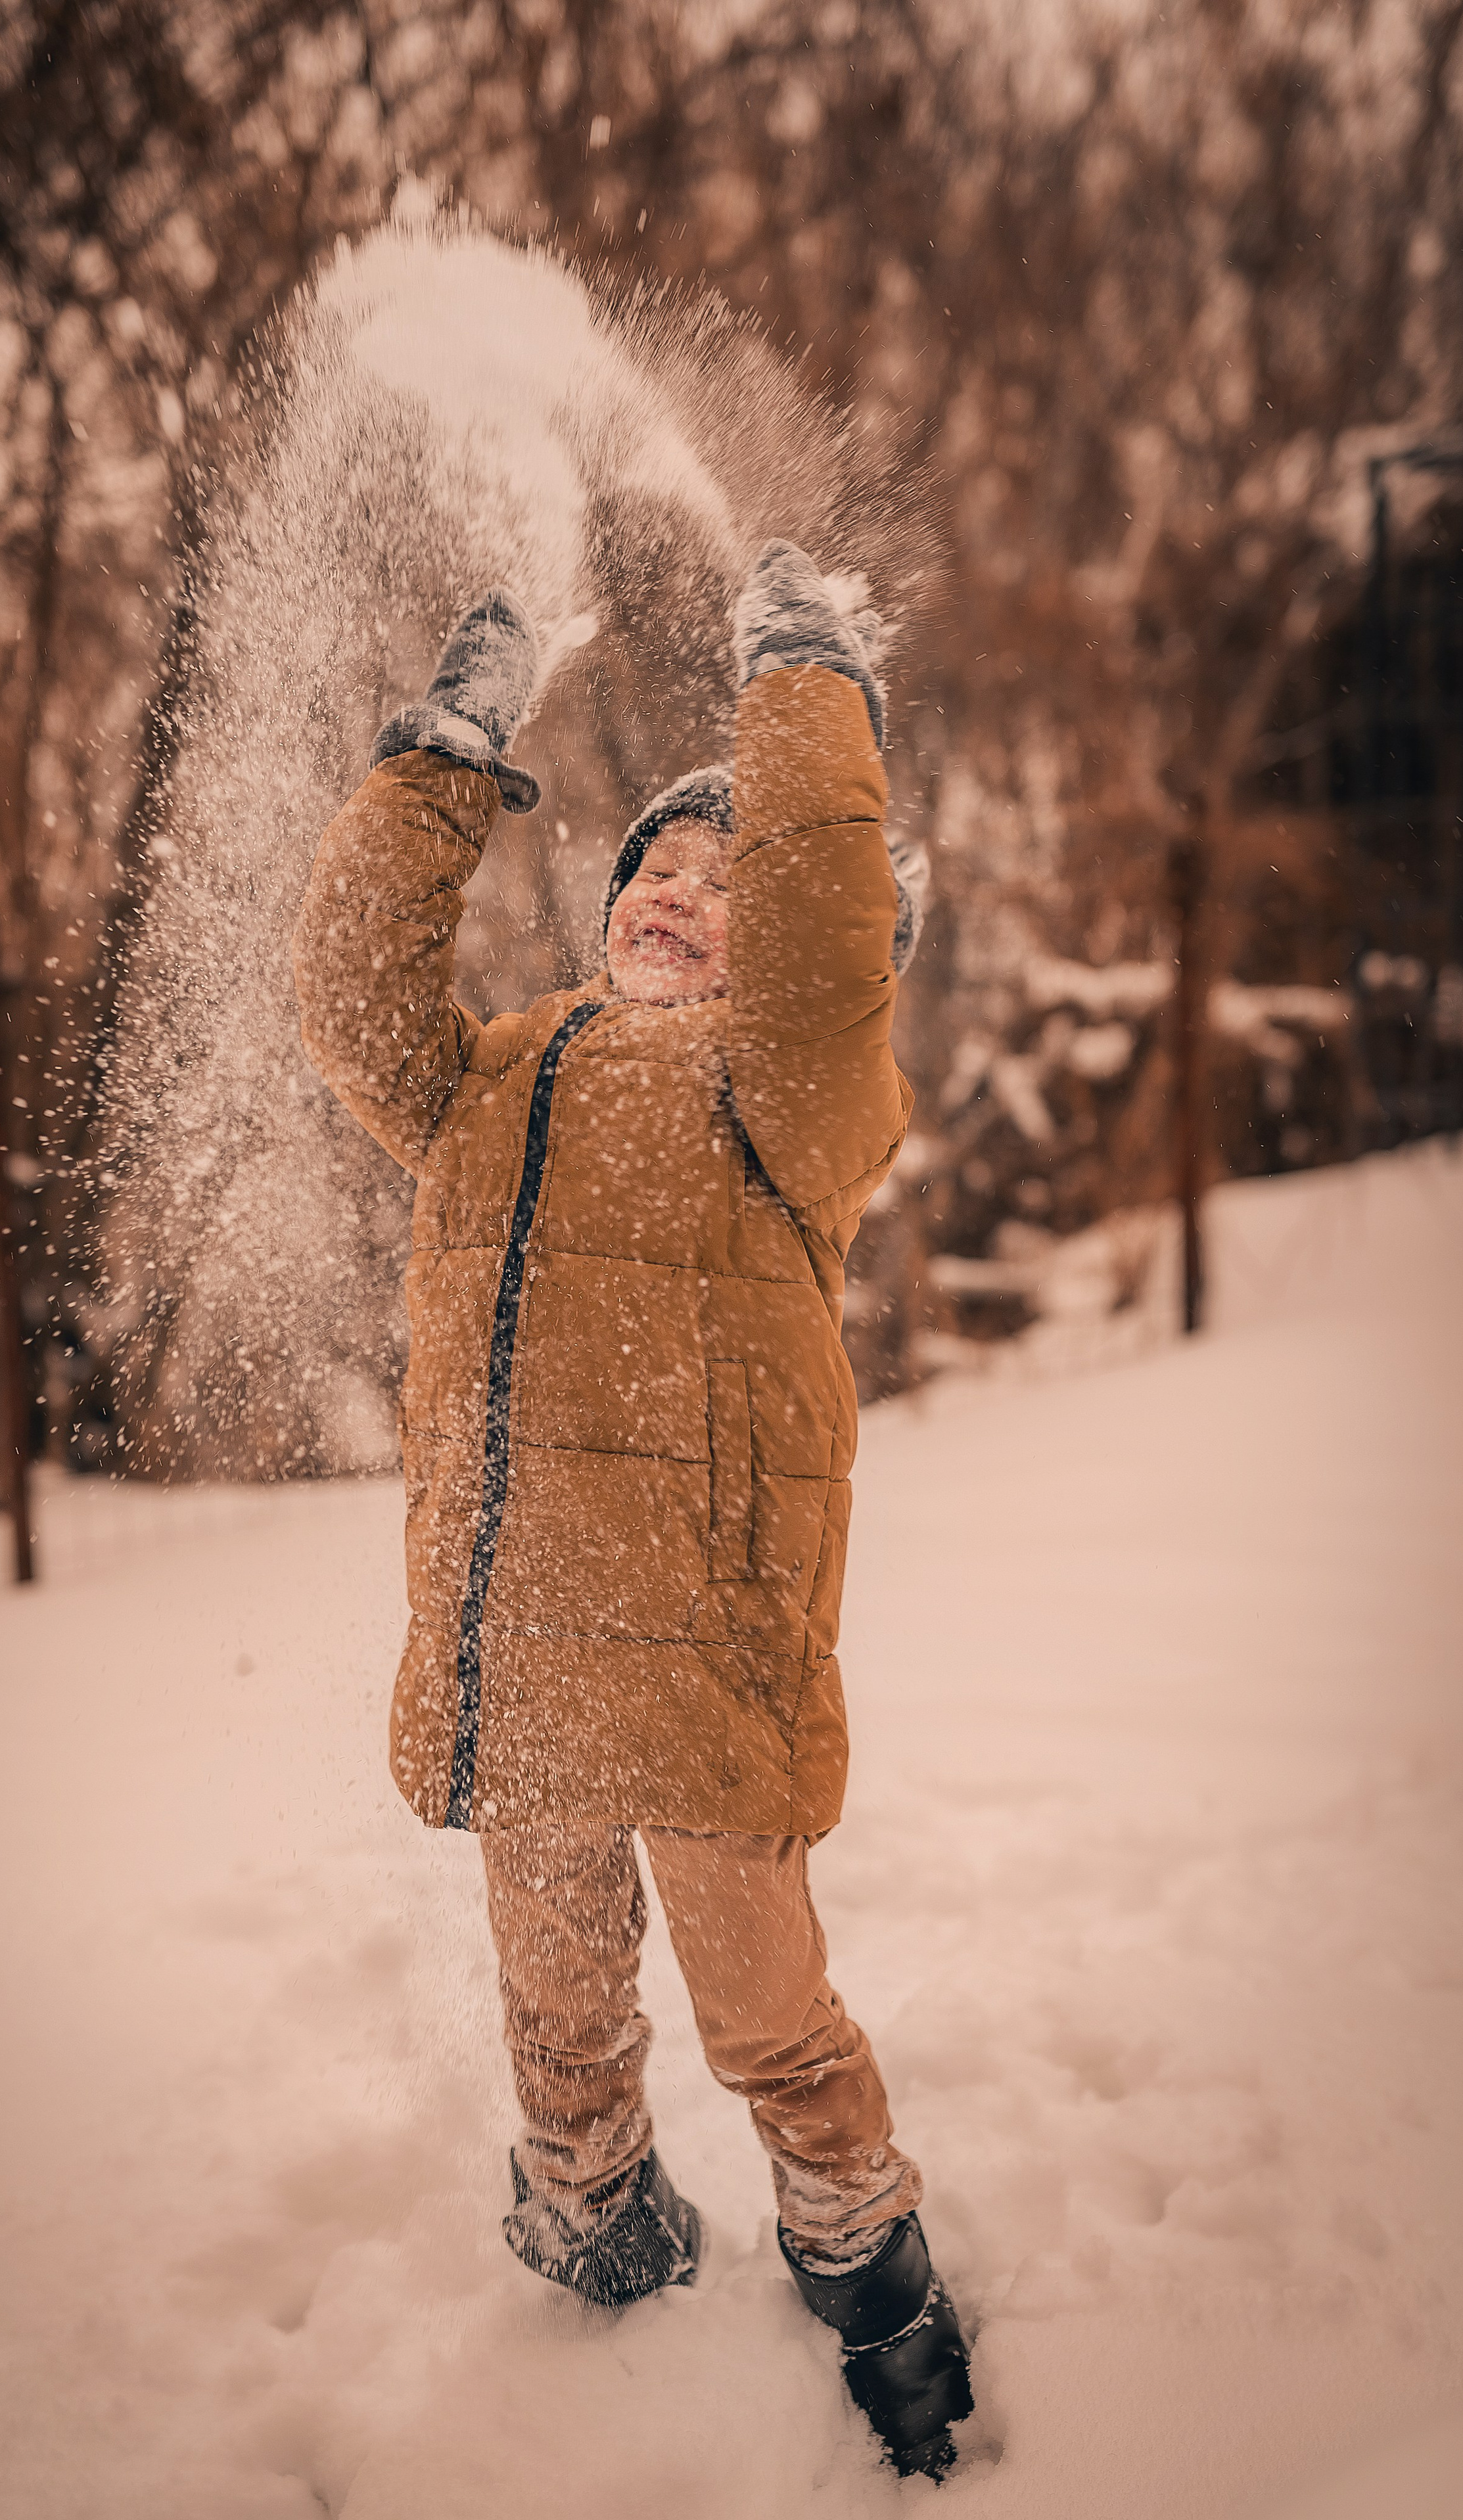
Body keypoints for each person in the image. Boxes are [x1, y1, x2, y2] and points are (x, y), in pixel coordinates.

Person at [292, 541, 972, 2479]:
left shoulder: (788, 1106)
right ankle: (595, 2231)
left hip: (705, 1656)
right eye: (660, 866)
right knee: (561, 2012)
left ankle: (866, 2259)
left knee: (766, 2012)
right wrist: (447, 750)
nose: (683, 885)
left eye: (731, 877)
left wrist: (805, 683)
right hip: (526, 1659)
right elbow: (351, 993)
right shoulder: (493, 1078)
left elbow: (837, 937)